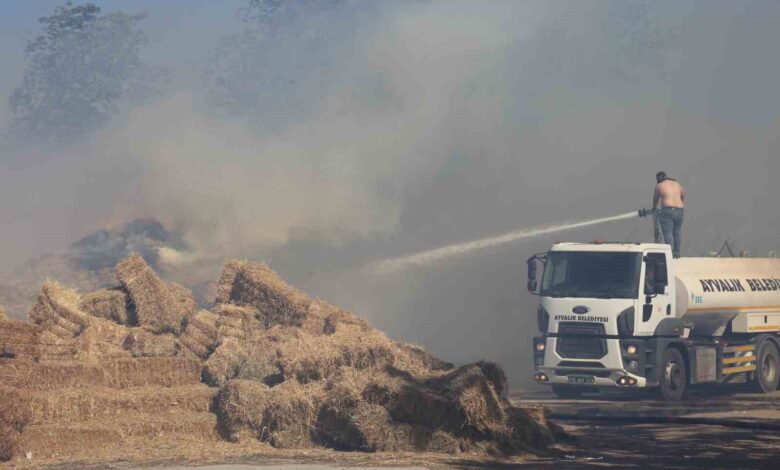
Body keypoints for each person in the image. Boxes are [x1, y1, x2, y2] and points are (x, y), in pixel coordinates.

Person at [652, 171, 685, 258]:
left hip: (667, 210)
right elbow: (683, 195)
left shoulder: (659, 185)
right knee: (677, 232)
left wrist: (654, 208)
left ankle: (670, 253)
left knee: (668, 232)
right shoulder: (676, 183)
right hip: (680, 210)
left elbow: (655, 199)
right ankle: (677, 253)